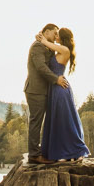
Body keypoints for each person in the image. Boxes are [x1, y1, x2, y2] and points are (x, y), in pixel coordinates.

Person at [39, 26, 88, 162]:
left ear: (63, 38)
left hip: (61, 89)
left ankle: (76, 151)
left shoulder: (65, 50)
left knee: (65, 120)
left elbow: (47, 44)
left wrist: (43, 38)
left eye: (58, 35)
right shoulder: (60, 50)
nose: (56, 37)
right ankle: (62, 153)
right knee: (58, 121)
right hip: (55, 88)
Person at [23, 23, 63, 165]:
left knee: (43, 122)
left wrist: (45, 40)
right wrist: (56, 79)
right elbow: (41, 67)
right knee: (36, 121)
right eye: (54, 33)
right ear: (46, 32)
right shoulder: (37, 46)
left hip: (44, 90)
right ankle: (34, 155)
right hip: (35, 90)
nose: (56, 36)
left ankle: (42, 151)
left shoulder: (44, 45)